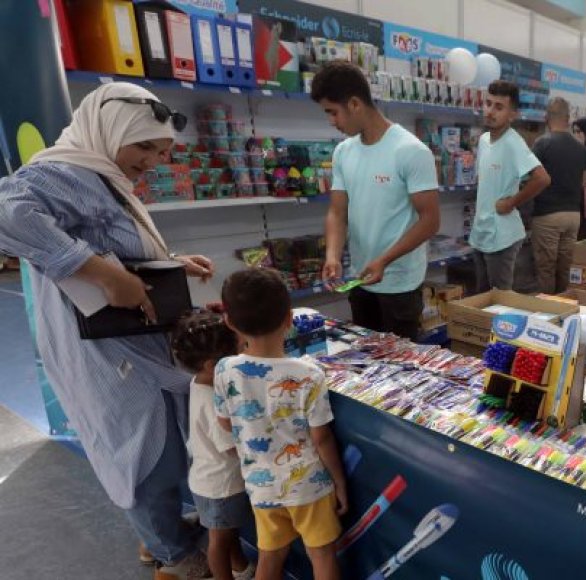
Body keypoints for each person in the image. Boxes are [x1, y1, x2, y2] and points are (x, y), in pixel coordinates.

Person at [0, 82, 215, 578]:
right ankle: (174, 555)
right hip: (109, 351)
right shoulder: (65, 172)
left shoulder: (100, 175)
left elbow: (101, 239)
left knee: (155, 440)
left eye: (160, 151)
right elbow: (8, 215)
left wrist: (166, 264)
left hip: (131, 343)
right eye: (143, 147)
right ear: (108, 130)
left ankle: (159, 534)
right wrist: (102, 273)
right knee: (142, 452)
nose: (151, 162)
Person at [216, 268, 347, 580]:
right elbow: (322, 438)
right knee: (323, 556)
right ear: (290, 319)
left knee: (270, 555)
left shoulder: (224, 369)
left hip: (261, 486)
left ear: (229, 322)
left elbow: (225, 423)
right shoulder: (309, 373)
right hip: (309, 487)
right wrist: (339, 482)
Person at [312, 61, 440, 340]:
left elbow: (430, 221)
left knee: (404, 367)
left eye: (333, 112)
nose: (331, 122)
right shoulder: (343, 152)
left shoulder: (411, 151)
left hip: (400, 283)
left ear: (355, 104)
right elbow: (337, 212)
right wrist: (332, 255)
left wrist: (385, 260)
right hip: (359, 279)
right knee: (367, 365)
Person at [172, 312, 255, 580]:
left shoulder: (199, 382)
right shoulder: (212, 401)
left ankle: (240, 566)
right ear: (212, 365)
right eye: (239, 351)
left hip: (207, 479)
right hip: (221, 486)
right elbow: (232, 448)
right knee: (219, 540)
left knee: (227, 532)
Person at [469, 80, 550, 292]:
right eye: (488, 104)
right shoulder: (484, 140)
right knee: (482, 298)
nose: (490, 111)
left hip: (502, 235)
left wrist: (512, 202)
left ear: (512, 114)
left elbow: (542, 178)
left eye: (499, 107)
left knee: (499, 302)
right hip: (481, 232)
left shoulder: (514, 142)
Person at [530, 97, 586, 294]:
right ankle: (565, 309)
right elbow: (584, 183)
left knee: (546, 269)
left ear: (547, 117)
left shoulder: (542, 143)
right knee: (565, 268)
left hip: (547, 215)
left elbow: (531, 177)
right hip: (573, 215)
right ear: (568, 118)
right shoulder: (581, 148)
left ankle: (548, 316)